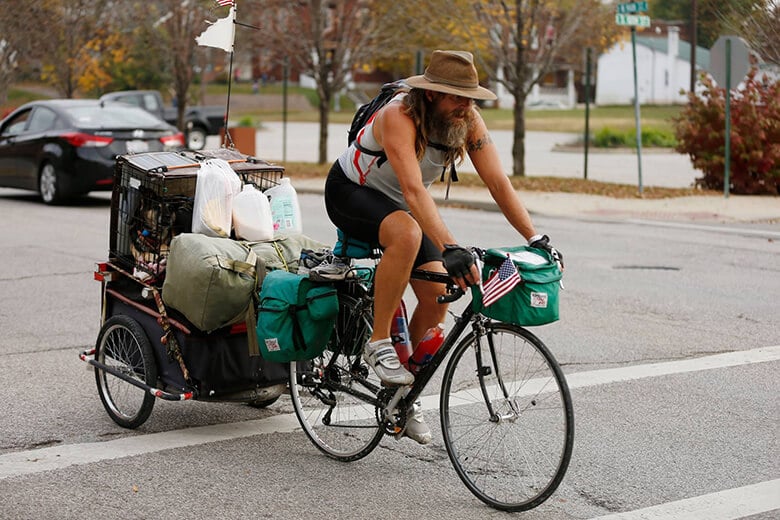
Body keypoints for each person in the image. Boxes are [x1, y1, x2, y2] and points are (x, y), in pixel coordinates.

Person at [324, 50, 562, 444]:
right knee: (407, 234)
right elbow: (415, 190)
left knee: (438, 295)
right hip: (352, 192)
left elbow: (498, 183)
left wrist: (534, 238)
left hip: (400, 204)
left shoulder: (466, 120)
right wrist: (451, 246)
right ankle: (377, 341)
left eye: (471, 98)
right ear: (432, 95)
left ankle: (401, 395)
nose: (466, 106)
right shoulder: (398, 116)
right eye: (457, 97)